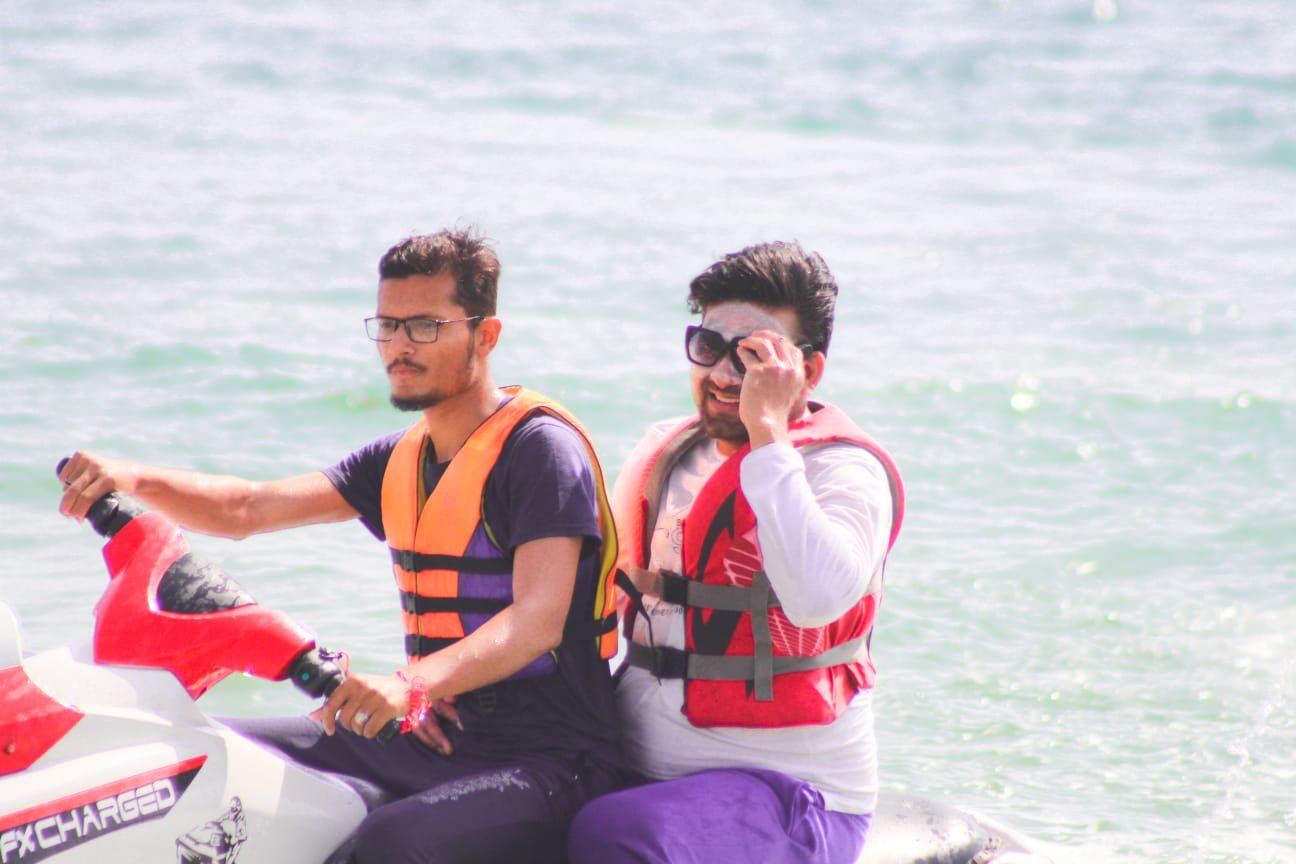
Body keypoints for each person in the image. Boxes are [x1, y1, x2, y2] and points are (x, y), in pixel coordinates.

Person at [58, 229, 624, 864]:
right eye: (388, 326)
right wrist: (133, 478)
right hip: (434, 736)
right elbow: (247, 508)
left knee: (391, 842)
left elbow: (537, 621)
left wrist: (410, 684)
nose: (400, 346)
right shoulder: (399, 459)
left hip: (553, 757)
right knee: (203, 764)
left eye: (425, 326)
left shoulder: (539, 452)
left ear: (485, 335)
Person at [567, 241, 905, 864]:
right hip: (637, 765)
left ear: (808, 370)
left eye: (752, 355)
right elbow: (585, 599)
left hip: (794, 797)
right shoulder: (666, 454)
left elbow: (818, 599)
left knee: (615, 833)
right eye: (708, 347)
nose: (723, 375)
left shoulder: (843, 471)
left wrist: (769, 435)